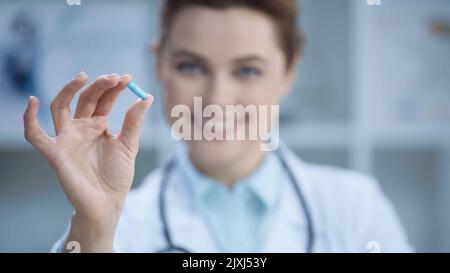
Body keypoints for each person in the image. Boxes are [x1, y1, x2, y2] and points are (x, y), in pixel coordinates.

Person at [23, 0, 412, 253]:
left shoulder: (356, 209)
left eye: (247, 70)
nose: (216, 99)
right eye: (191, 67)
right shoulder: (112, 228)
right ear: (159, 65)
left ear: (290, 72)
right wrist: (95, 225)